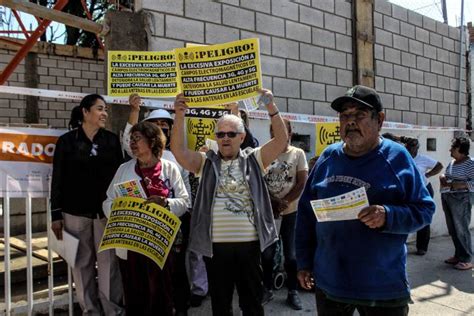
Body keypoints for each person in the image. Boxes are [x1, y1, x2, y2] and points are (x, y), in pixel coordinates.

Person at [295, 85, 435, 316]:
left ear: (379, 119)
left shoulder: (397, 158)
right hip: (330, 284)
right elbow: (306, 215)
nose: (350, 121)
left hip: (381, 288)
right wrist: (304, 262)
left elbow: (425, 210)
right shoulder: (328, 157)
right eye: (344, 116)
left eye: (359, 115)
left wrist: (388, 216)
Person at [171, 89, 288, 316]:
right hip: (215, 249)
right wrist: (179, 114)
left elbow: (282, 140)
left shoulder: (254, 158)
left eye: (231, 134)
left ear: (242, 137)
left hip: (250, 247)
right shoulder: (205, 162)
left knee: (252, 304)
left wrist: (271, 107)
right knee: (221, 305)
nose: (225, 138)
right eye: (221, 134)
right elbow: (179, 151)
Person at [103, 121, 190, 315]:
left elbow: (184, 202)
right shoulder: (123, 169)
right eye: (131, 139)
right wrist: (122, 211)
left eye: (137, 139)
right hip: (132, 242)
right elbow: (107, 201)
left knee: (161, 292)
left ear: (152, 142)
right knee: (135, 293)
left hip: (161, 243)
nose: (133, 143)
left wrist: (165, 203)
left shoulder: (169, 168)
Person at [50, 94, 124, 315]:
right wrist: (56, 214)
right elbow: (58, 179)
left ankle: (113, 310)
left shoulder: (111, 140)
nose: (104, 114)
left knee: (109, 263)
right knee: (81, 265)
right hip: (74, 214)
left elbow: (119, 178)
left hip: (105, 214)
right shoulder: (66, 141)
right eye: (100, 109)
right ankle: (90, 310)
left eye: (106, 110)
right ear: (85, 111)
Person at [123, 94, 193, 314]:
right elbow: (129, 139)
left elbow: (184, 197)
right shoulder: (127, 167)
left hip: (170, 228)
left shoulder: (175, 158)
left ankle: (178, 308)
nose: (161, 127)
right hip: (137, 235)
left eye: (165, 124)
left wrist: (169, 205)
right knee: (140, 284)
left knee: (172, 274)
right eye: (156, 124)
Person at [261, 118, 308, 310]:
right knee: (267, 255)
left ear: (289, 132)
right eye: (274, 130)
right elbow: (258, 181)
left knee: (291, 255)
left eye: (282, 129)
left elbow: (301, 182)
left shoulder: (298, 153)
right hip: (268, 212)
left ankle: (292, 291)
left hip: (290, 212)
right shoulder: (264, 152)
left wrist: (284, 202)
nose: (277, 133)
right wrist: (272, 202)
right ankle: (267, 288)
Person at [439, 136, 473, 270]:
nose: (450, 150)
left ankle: (467, 259)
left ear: (460, 148)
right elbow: (448, 176)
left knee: (461, 229)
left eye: (453, 147)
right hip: (448, 197)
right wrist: (443, 177)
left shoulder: (470, 163)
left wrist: (460, 185)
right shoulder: (453, 162)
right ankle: (458, 255)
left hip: (461, 200)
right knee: (453, 229)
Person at [405, 137, 443, 255]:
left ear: (417, 148)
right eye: (408, 147)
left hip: (424, 190)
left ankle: (422, 247)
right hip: (409, 190)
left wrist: (427, 175)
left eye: (413, 147)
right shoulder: (402, 157)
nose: (410, 149)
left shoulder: (423, 159)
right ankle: (402, 244)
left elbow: (439, 165)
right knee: (406, 215)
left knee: (424, 217)